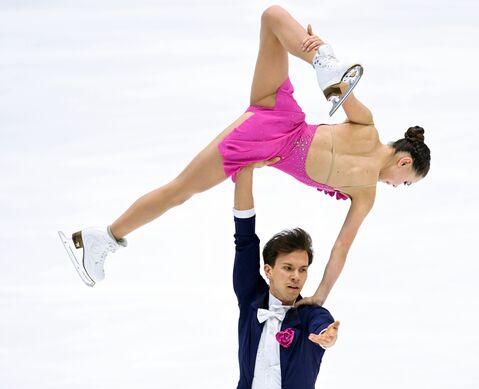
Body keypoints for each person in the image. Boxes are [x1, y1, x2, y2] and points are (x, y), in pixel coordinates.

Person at [59, 6, 431, 307]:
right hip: (266, 142)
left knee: (272, 18)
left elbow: (339, 91)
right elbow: (340, 248)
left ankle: (321, 57)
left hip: (283, 112)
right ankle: (102, 238)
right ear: (403, 162)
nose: (400, 186)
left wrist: (314, 49)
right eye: (408, 182)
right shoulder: (365, 192)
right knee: (181, 190)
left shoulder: (366, 124)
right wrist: (319, 297)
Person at [232, 160, 339, 389]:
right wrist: (245, 170)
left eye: (302, 269)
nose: (296, 276)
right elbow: (244, 238)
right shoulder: (251, 296)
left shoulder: (310, 315)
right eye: (288, 268)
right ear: (268, 270)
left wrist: (327, 335)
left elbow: (322, 324)